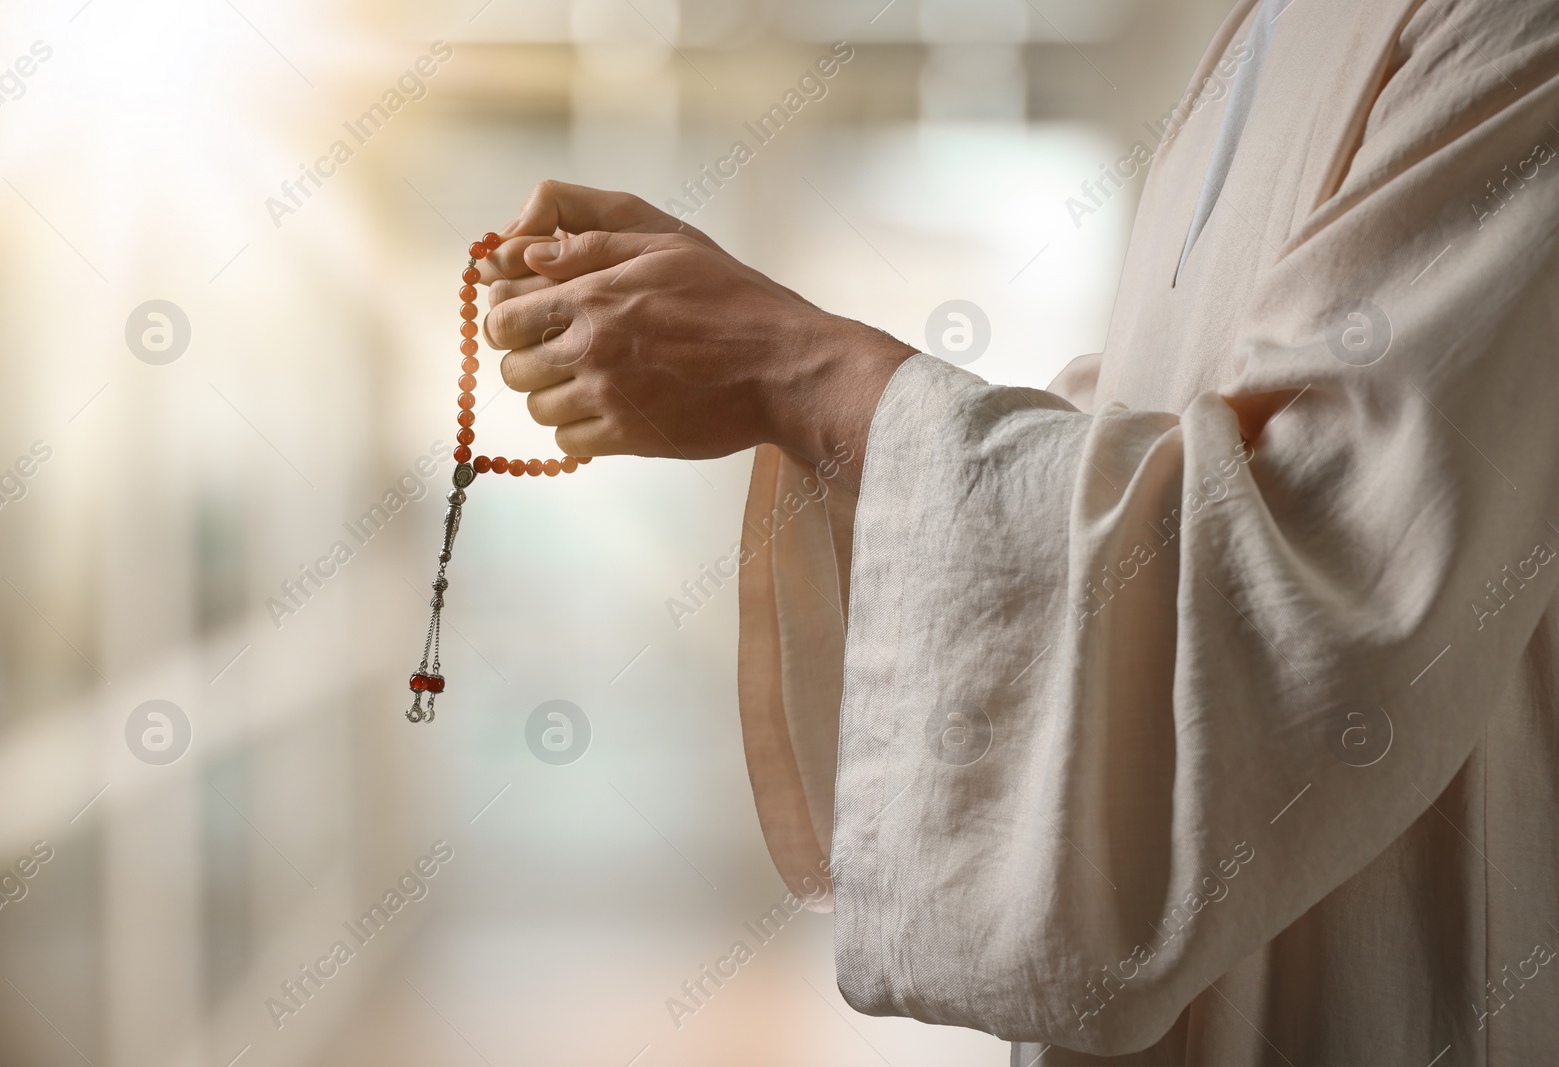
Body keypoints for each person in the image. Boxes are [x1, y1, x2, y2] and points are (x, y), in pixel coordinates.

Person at [476, 0, 1559, 1061]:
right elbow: (1153, 455)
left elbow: (1324, 558)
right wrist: (762, 348)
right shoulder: (1255, 30)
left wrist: (800, 368)